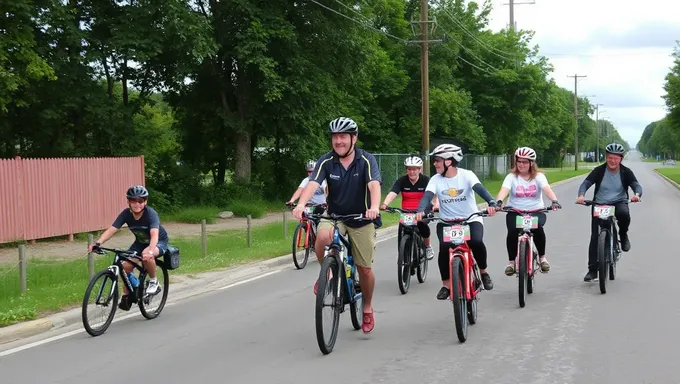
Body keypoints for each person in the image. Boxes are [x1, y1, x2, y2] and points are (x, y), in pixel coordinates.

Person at [292, 117, 381, 334]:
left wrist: (375, 206)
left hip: (361, 218)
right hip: (335, 216)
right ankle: (329, 273)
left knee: (365, 269)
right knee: (322, 238)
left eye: (343, 137)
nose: (338, 141)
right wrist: (301, 204)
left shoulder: (366, 160)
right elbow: (313, 183)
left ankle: (367, 307)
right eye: (335, 137)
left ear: (354, 138)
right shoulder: (326, 161)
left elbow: (374, 185)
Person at [415, 143, 498, 300]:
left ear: (449, 161)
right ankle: (446, 285)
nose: (434, 164)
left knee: (476, 242)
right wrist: (420, 210)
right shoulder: (435, 179)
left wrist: (491, 202)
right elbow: (427, 196)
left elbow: (480, 189)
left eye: (437, 160)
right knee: (445, 248)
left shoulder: (467, 175)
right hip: (447, 222)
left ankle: (483, 272)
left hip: (470, 219)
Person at [88, 185, 168, 311]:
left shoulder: (151, 214)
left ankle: (154, 281)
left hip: (158, 242)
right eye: (133, 201)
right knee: (125, 267)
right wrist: (98, 243)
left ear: (145, 201)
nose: (137, 204)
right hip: (140, 243)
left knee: (147, 256)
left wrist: (151, 250)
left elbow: (154, 235)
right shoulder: (126, 214)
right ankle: (132, 291)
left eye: (140, 201)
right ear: (128, 202)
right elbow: (112, 229)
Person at [576, 142, 642, 282]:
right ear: (606, 157)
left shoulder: (626, 172)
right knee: (595, 236)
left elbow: (636, 185)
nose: (613, 161)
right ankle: (592, 270)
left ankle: (623, 235)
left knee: (624, 214)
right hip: (599, 204)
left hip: (619, 202)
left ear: (621, 159)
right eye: (610, 157)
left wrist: (636, 194)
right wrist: (581, 195)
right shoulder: (599, 170)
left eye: (616, 158)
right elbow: (586, 183)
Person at [495, 147, 562, 276]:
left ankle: (542, 258)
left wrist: (554, 200)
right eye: (519, 161)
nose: (521, 164)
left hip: (536, 210)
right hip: (515, 211)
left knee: (538, 230)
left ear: (531, 163)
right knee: (513, 232)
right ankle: (511, 262)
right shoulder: (511, 177)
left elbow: (546, 188)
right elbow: (504, 189)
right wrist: (499, 202)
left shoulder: (538, 177)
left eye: (525, 162)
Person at [381, 156, 437, 261]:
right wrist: (385, 203)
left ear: (420, 169)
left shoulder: (426, 180)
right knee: (402, 228)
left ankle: (428, 246)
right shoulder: (402, 181)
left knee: (421, 224)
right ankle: (402, 253)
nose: (412, 172)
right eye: (409, 169)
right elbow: (393, 193)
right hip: (406, 212)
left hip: (423, 211)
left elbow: (434, 195)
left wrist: (435, 205)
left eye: (415, 169)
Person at [287, 160, 328, 225]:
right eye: (309, 171)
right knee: (304, 222)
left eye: (313, 171)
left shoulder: (321, 180)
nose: (311, 173)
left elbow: (327, 191)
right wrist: (291, 200)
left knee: (320, 224)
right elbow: (299, 190)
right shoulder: (306, 180)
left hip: (320, 205)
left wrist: (327, 202)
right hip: (308, 206)